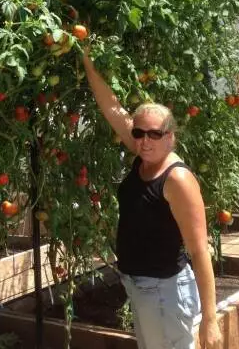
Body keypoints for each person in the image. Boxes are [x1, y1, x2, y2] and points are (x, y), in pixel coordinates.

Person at [83, 47, 220, 349]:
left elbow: (200, 251)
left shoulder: (177, 180)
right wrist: (87, 61)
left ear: (170, 136)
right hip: (141, 285)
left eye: (154, 134)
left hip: (165, 291)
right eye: (139, 132)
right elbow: (112, 109)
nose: (145, 140)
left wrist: (210, 318)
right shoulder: (144, 157)